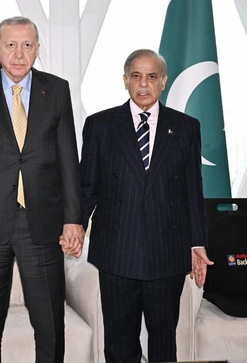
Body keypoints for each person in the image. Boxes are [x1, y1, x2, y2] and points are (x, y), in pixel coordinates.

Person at [0, 16, 84, 363]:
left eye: (27, 45)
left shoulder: (56, 90)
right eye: (11, 45)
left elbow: (69, 160)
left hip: (42, 224)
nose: (19, 54)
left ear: (37, 49)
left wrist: (73, 219)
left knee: (50, 327)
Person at [80, 49, 212, 363]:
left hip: (167, 252)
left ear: (163, 81)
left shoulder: (185, 127)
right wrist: (75, 226)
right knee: (119, 343)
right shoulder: (100, 125)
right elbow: (87, 188)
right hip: (116, 252)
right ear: (125, 80)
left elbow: (192, 191)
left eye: (152, 76)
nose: (143, 84)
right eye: (136, 76)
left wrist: (197, 243)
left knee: (164, 341)